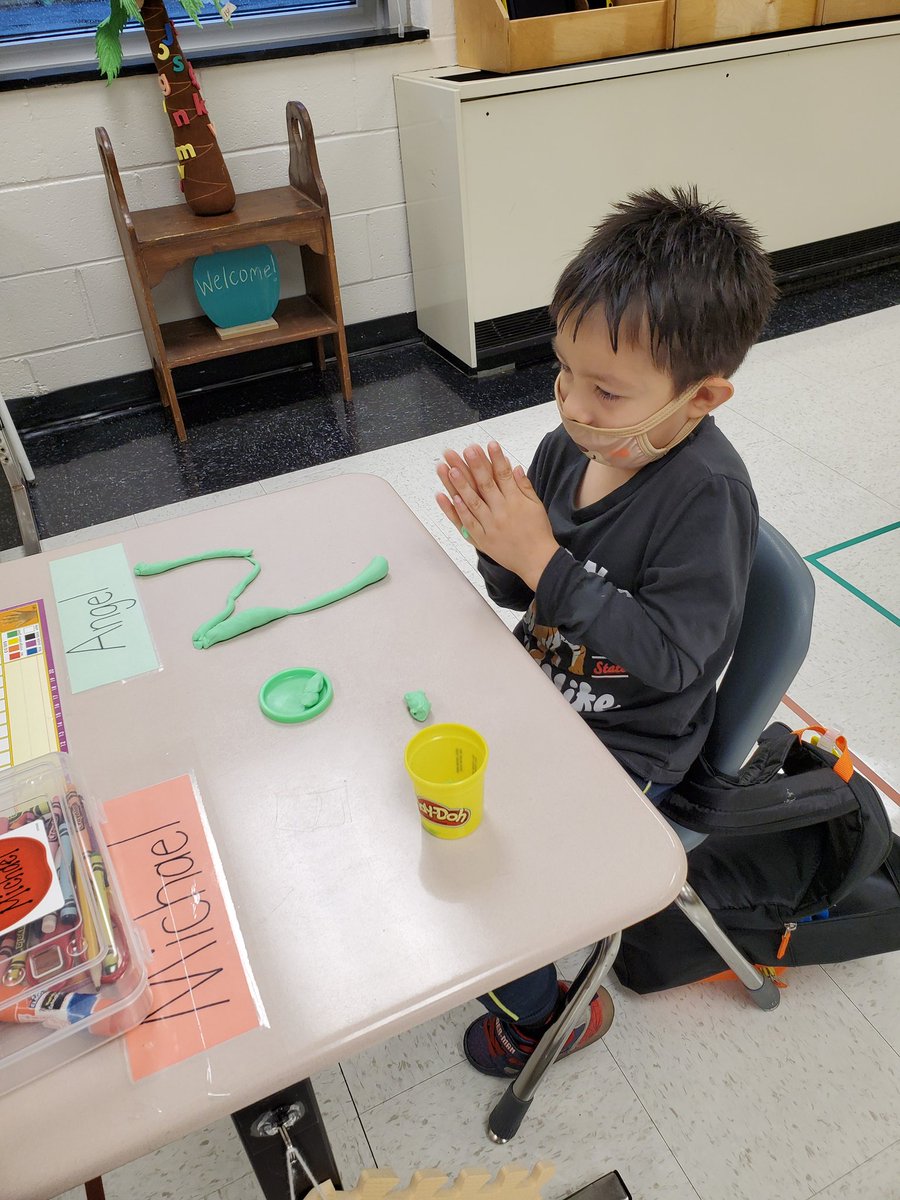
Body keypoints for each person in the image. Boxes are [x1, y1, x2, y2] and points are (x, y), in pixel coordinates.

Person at [435, 185, 777, 1077]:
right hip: (541, 691)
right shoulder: (573, 447)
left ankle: (547, 1016)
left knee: (490, 877)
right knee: (423, 790)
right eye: (564, 372)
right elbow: (526, 593)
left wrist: (545, 560)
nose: (572, 405)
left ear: (702, 397)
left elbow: (674, 659)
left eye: (607, 391)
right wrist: (501, 546)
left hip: (633, 743)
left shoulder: (706, 498)